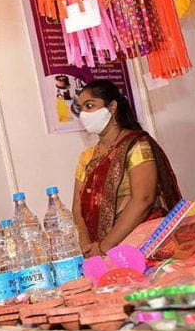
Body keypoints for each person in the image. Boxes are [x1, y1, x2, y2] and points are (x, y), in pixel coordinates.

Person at [71, 80, 182, 257]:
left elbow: (144, 199)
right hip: (97, 248)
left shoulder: (136, 145)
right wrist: (87, 247)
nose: (84, 114)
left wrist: (106, 246)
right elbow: (77, 208)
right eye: (81, 108)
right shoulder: (87, 157)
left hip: (140, 242)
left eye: (89, 106)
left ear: (112, 107)